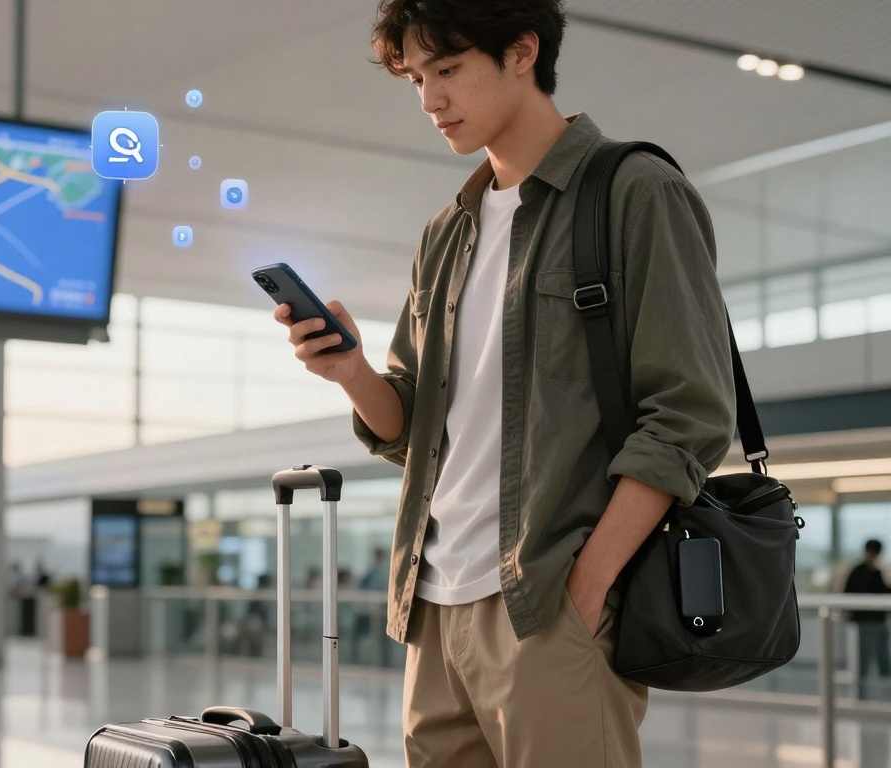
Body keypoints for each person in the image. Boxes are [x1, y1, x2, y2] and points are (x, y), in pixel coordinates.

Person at [274, 2, 735, 765]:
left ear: (522, 52)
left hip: (549, 602)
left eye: (447, 70)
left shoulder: (634, 192)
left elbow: (687, 415)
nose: (429, 99)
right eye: (417, 78)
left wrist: (586, 592)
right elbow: (413, 429)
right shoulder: (448, 229)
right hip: (432, 606)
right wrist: (351, 371)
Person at [844, 539, 890, 690]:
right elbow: (849, 593)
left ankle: (883, 688)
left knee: (882, 655)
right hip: (863, 621)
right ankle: (859, 689)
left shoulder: (876, 572)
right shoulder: (859, 571)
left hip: (877, 620)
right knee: (862, 656)